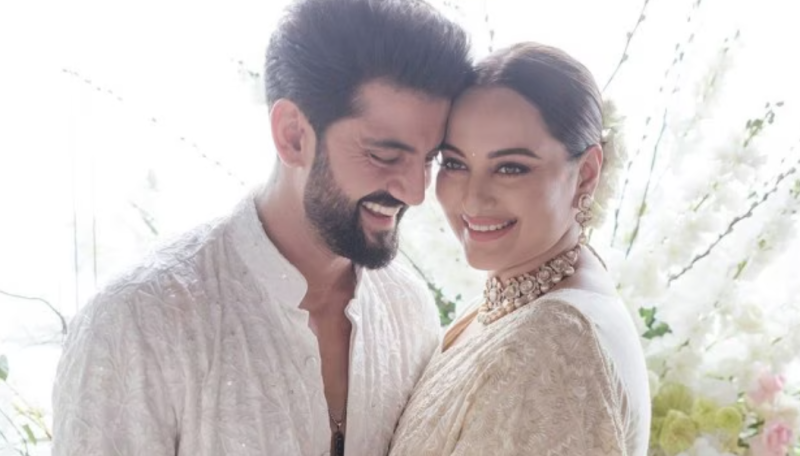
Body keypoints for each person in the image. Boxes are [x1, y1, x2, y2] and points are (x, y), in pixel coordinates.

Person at [51, 1, 472, 455]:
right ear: (293, 135)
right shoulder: (135, 324)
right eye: (385, 156)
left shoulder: (409, 310)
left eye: (430, 159)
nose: (415, 192)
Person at [390, 42, 651, 455]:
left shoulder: (555, 339)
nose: (473, 198)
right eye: (454, 163)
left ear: (586, 174)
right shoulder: (523, 293)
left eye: (511, 167)